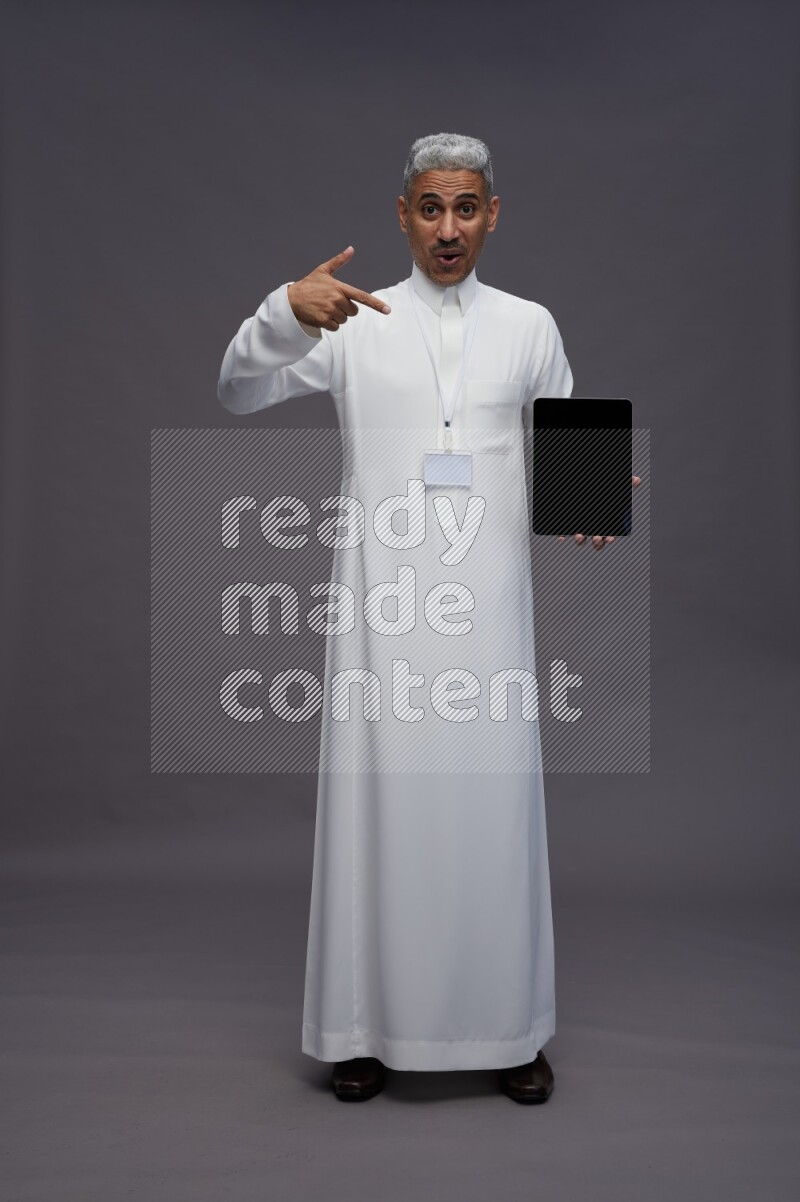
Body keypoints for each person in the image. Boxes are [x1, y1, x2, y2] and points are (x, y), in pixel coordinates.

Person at [217, 133, 630, 1104]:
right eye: (430, 207)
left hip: (487, 614)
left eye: (467, 207)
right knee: (378, 809)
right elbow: (234, 389)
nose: (448, 227)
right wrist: (282, 312)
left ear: (492, 215)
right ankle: (362, 1029)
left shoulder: (530, 324)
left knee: (492, 813)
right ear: (401, 214)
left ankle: (509, 1028)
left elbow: (566, 453)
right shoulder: (351, 319)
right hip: (380, 608)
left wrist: (589, 504)